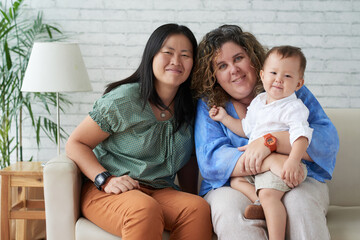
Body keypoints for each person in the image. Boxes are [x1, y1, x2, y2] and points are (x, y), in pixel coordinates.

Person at [66, 23, 213, 240]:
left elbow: (189, 158)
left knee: (197, 208)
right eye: (168, 53)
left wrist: (188, 195)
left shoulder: (191, 107)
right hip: (107, 192)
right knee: (144, 209)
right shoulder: (123, 100)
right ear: (151, 56)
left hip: (160, 191)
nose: (176, 61)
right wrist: (105, 180)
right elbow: (76, 143)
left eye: (185, 55)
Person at [192, 25, 339, 240]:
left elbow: (327, 141)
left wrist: (270, 142)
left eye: (239, 58)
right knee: (231, 212)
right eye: (222, 65)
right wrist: (270, 160)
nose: (234, 69)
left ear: (253, 59)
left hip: (294, 174)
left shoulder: (289, 88)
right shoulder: (211, 106)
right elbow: (211, 160)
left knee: (300, 204)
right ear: (214, 75)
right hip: (234, 186)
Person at [208, 45, 314, 239]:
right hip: (259, 167)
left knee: (269, 195)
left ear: (299, 84)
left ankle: (275, 235)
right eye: (273, 73)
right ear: (263, 75)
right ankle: (258, 203)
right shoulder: (259, 102)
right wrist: (224, 118)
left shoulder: (293, 107)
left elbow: (301, 137)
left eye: (288, 76)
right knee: (236, 180)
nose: (278, 80)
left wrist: (292, 161)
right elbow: (246, 129)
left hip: (282, 163)